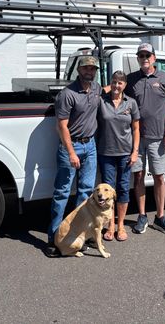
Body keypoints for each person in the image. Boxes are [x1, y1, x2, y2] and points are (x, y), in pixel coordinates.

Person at [46, 56, 102, 256]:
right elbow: (61, 126)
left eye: (93, 69)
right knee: (61, 193)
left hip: (91, 145)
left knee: (86, 192)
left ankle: (78, 234)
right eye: (86, 68)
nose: (90, 71)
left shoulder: (96, 89)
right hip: (71, 146)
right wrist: (71, 152)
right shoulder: (67, 94)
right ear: (79, 70)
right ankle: (53, 238)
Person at [126, 43, 165, 235]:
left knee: (159, 177)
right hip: (137, 138)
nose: (144, 58)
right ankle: (142, 216)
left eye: (148, 54)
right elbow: (116, 93)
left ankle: (160, 216)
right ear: (138, 58)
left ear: (154, 58)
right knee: (138, 175)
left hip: (158, 138)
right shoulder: (131, 79)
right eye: (141, 55)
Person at [97, 70, 140, 242]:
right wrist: (107, 89)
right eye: (114, 82)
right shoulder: (102, 101)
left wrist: (135, 151)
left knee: (122, 188)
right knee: (107, 191)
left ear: (125, 85)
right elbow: (96, 91)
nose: (116, 86)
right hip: (106, 152)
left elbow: (136, 129)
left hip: (125, 154)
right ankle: (110, 225)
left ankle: (120, 225)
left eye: (120, 83)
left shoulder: (131, 103)